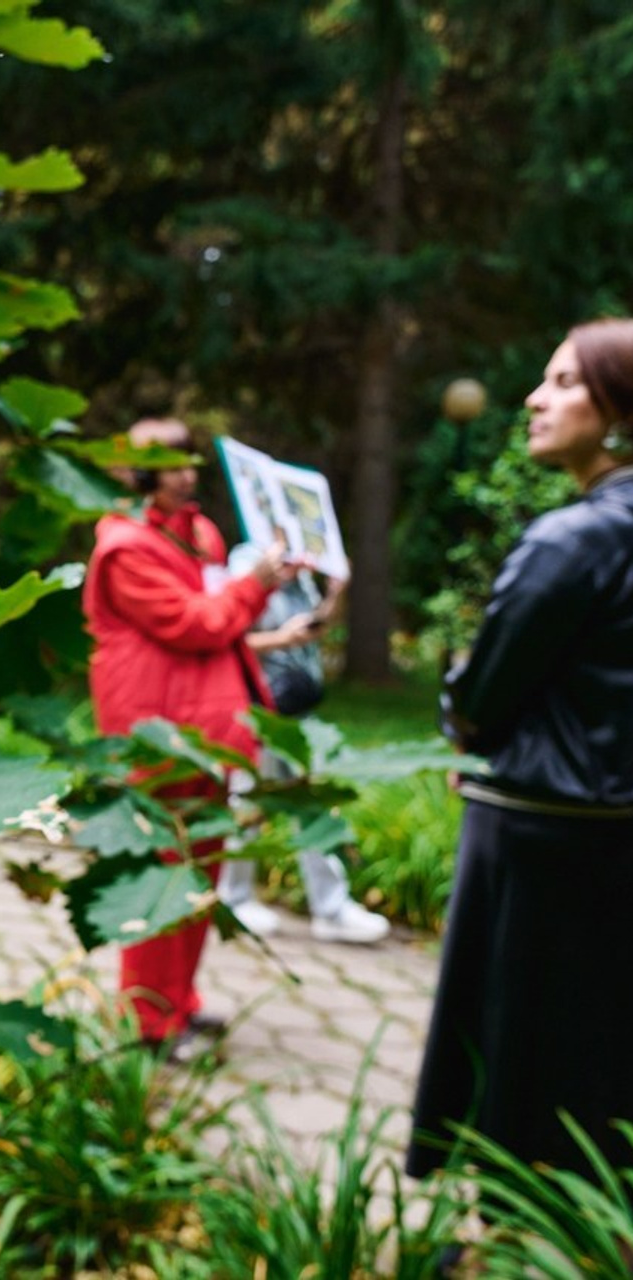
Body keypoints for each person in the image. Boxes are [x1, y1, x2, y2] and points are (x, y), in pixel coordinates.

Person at [407, 318, 633, 1191]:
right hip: (613, 832)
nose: (537, 399)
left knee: (516, 1040)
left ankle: (507, 1218)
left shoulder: (572, 540)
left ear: (618, 409)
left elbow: (481, 700)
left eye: (566, 381)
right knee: (602, 1041)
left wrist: (458, 703)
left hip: (540, 834)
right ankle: (584, 1214)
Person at [81, 417, 294, 1052]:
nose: (185, 476)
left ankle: (181, 1003)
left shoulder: (199, 531)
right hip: (156, 737)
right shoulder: (124, 548)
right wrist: (256, 587)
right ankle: (148, 1023)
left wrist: (275, 619)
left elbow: (220, 620)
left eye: (188, 463)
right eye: (169, 465)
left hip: (208, 729)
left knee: (202, 874)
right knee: (160, 877)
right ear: (138, 473)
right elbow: (195, 623)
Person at [217, 549, 391, 944]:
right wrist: (282, 639)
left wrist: (336, 592)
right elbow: (227, 635)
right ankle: (232, 900)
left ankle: (331, 908)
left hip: (299, 710)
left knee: (313, 803)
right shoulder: (249, 563)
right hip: (259, 709)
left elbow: (315, 627)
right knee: (248, 803)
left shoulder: (303, 570)